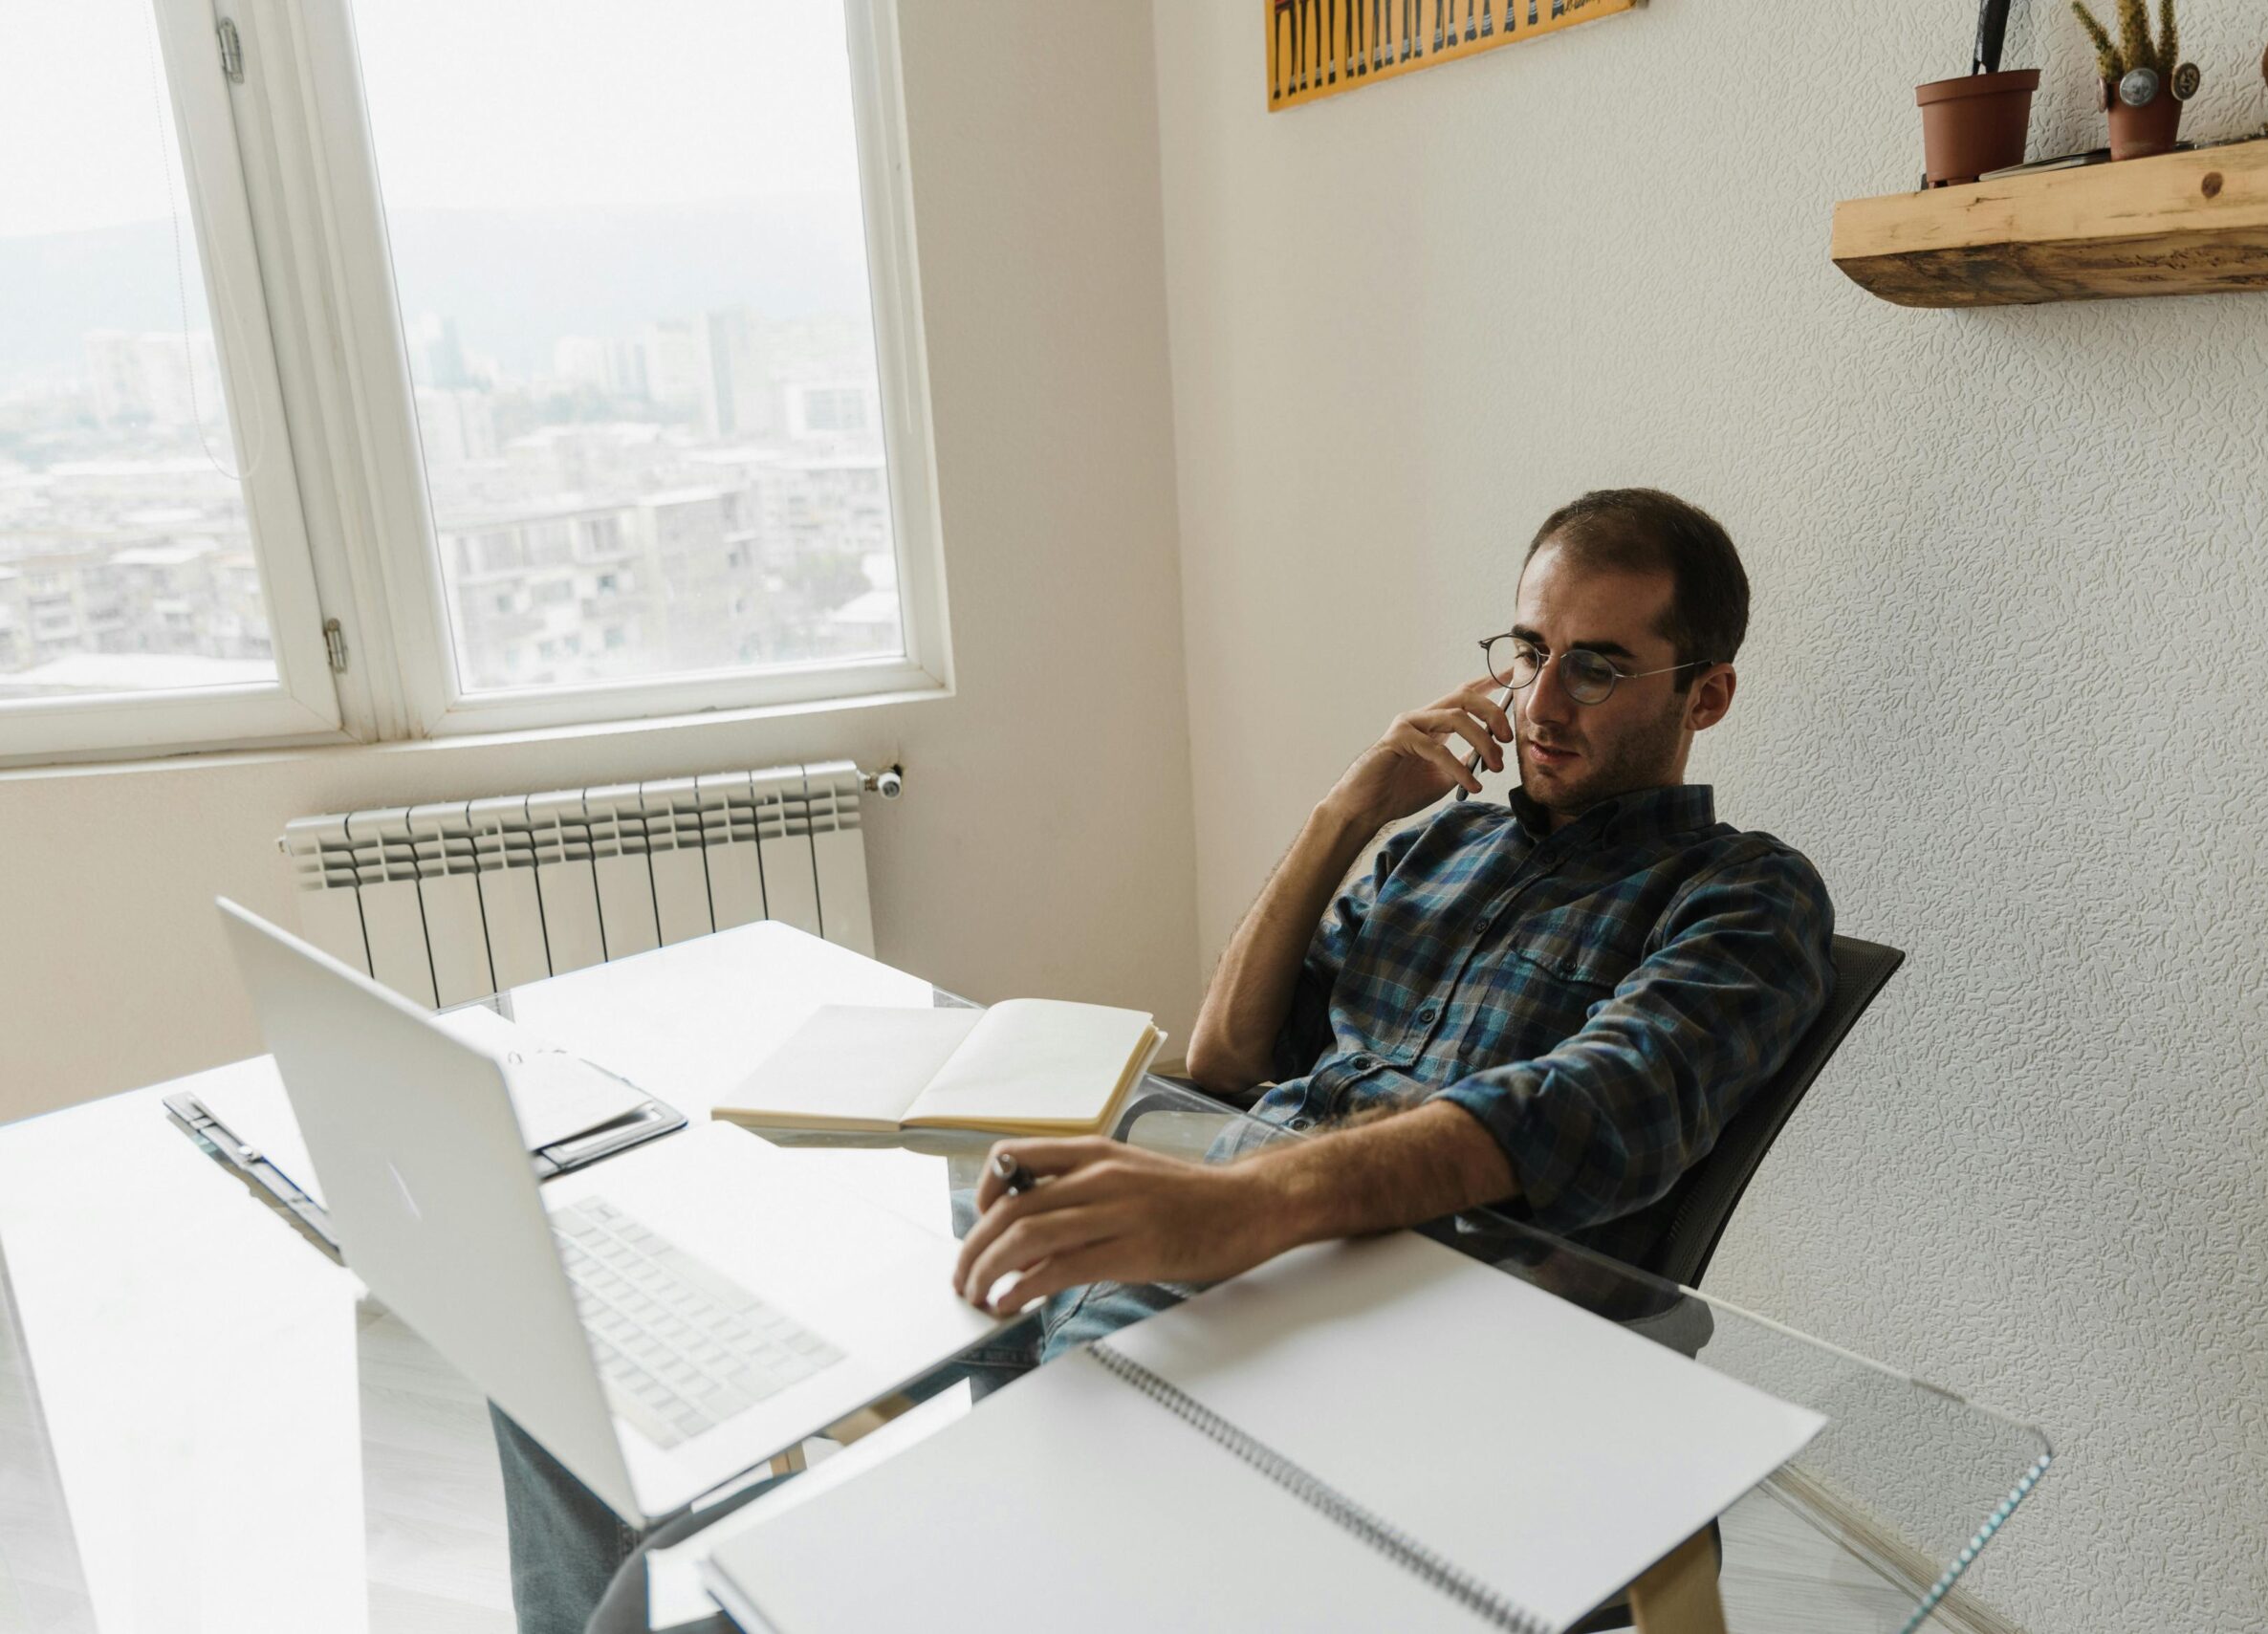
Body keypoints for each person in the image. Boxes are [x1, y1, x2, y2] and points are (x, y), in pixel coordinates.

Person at [504, 486, 1837, 1634]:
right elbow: (1226, 1055)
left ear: (1704, 691)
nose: (1540, 702)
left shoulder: (1745, 896)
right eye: (1527, 648)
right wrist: (1345, 813)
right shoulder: (1441, 845)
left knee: (761, 1581)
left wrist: (1238, 1200)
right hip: (1216, 1231)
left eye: (1596, 666)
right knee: (565, 1396)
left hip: (1381, 1318)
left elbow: (1592, 1112)